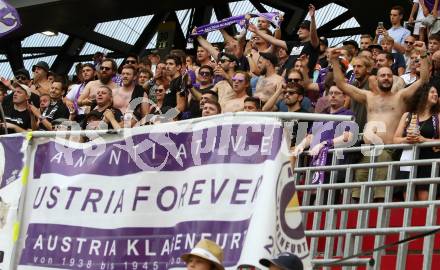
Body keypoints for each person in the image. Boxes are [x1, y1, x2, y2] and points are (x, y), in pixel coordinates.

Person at [329, 43, 430, 202]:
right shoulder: (368, 97)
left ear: (393, 78)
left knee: (380, 196)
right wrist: (334, 61)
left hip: (387, 151)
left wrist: (424, 55)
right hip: (367, 151)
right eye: (382, 75)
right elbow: (341, 84)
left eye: (389, 75)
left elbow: (423, 80)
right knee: (357, 195)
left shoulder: (400, 96)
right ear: (376, 79)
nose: (386, 78)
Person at [393, 83, 440, 201]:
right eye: (432, 92)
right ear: (423, 95)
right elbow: (395, 139)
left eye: (436, 93)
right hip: (408, 160)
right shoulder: (407, 116)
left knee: (425, 200)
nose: (436, 94)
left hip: (428, 161)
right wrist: (406, 139)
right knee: (408, 200)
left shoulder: (437, 117)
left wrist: (424, 140)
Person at [248, 4, 319, 77]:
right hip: (286, 80)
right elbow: (273, 40)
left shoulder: (313, 44)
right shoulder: (294, 44)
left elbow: (313, 35)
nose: (300, 31)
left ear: (310, 31)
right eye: (299, 28)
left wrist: (312, 18)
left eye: (303, 28)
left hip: (301, 80)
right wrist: (256, 31)